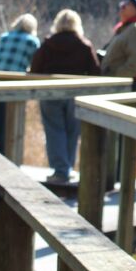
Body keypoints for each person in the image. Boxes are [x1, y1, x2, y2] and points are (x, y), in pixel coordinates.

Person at [31, 9, 100, 184]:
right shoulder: (84, 46)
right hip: (76, 93)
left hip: (50, 91)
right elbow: (95, 71)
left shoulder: (48, 44)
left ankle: (60, 170)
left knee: (54, 130)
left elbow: (35, 68)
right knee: (72, 131)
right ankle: (67, 168)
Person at [0, 13, 39, 153]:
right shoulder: (32, 41)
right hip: (14, 86)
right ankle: (8, 157)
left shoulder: (4, 37)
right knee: (10, 126)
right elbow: (35, 65)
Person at [100, 0, 136, 89]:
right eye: (121, 4)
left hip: (131, 86)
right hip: (120, 84)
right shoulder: (125, 29)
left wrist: (116, 76)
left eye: (126, 4)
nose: (122, 7)